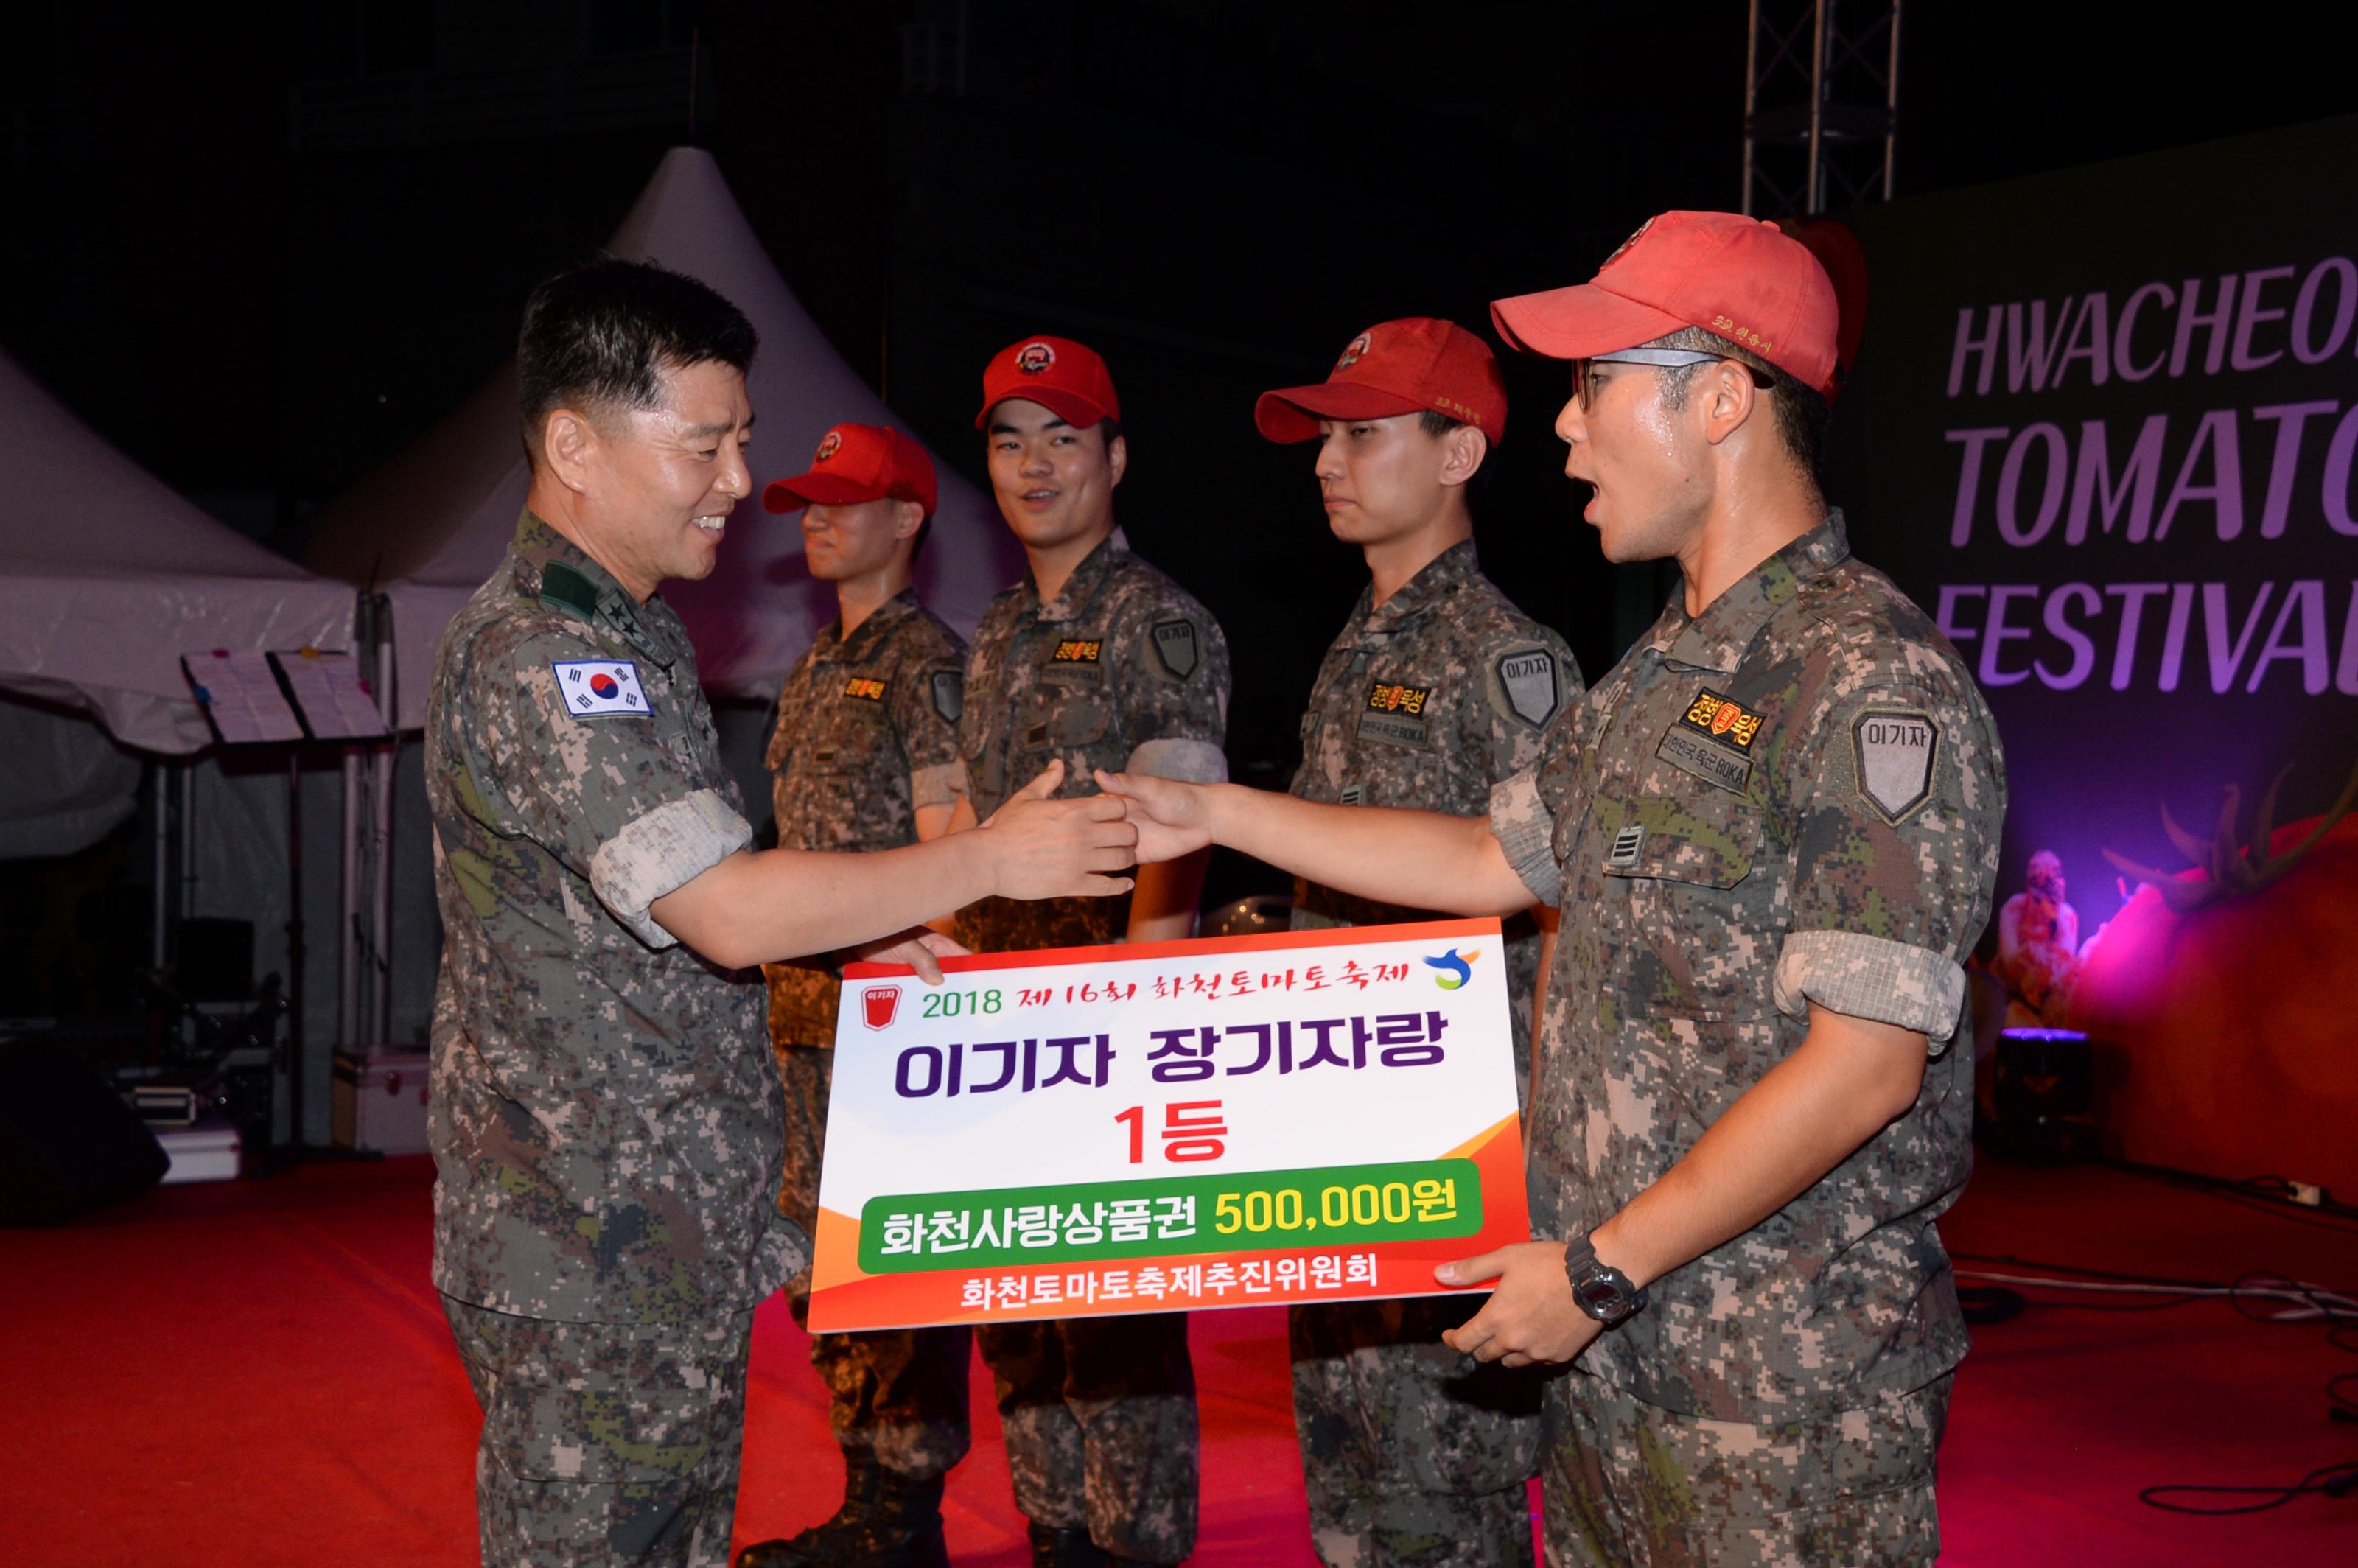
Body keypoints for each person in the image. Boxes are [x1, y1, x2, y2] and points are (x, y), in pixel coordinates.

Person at [1103, 211, 2007, 1566]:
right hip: (1613, 1370)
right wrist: (1212, 810)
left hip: (1776, 1401)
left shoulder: (1872, 680)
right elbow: (1483, 857)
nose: (1567, 435)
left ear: (1718, 400)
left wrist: (1601, 1267)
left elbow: (1868, 1064)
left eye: (1595, 389)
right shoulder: (1654, 674)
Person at [425, 259, 1137, 1568]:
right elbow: (726, 912)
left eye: (741, 440)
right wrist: (986, 858)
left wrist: (873, 932)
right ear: (575, 445)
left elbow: (688, 892)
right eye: (705, 445)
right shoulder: (549, 655)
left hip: (652, 1235)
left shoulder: (631, 637)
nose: (739, 485)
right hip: (587, 1249)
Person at [1251, 317, 1578, 1567]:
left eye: (1364, 432)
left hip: (1454, 1161)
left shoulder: (1510, 661)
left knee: (1444, 1498)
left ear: (1460, 454)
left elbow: (1555, 923)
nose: (1328, 461)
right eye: (1324, 436)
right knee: (1349, 1480)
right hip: (1340, 1130)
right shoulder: (1359, 643)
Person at [945, 334, 1231, 1568]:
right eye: (1010, 441)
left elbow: (1181, 824)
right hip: (1000, 1025)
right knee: (1015, 1313)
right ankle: (1054, 1530)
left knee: (1117, 1325)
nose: (1035, 465)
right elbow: (968, 818)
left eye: (1064, 437)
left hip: (1102, 1030)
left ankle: (1131, 1549)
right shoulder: (998, 627)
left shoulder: (1157, 623)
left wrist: (1142, 1008)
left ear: (1116, 457)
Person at [733, 423, 973, 1568]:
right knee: (825, 1276)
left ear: (908, 519)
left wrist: (922, 960)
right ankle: (868, 1498)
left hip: (887, 1028)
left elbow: (953, 843)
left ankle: (904, 1513)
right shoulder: (821, 661)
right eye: (808, 503)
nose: (815, 519)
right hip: (805, 1026)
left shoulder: (926, 663)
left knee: (896, 1270)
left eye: (843, 501)